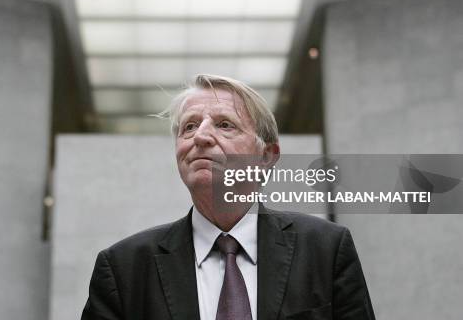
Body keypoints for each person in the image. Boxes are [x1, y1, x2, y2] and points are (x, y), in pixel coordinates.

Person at [81, 74, 375, 320]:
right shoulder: (123, 269)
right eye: (190, 126)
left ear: (266, 156)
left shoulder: (326, 250)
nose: (201, 137)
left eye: (224, 125)